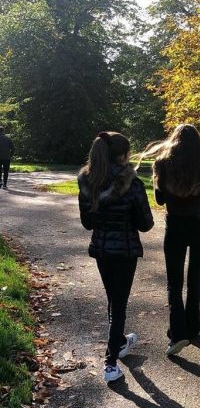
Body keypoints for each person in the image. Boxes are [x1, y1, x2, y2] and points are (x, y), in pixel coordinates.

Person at [78, 132, 154, 382]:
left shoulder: (88, 183)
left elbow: (88, 223)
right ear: (123, 155)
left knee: (113, 299)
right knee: (119, 304)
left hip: (101, 249)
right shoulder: (132, 184)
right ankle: (110, 363)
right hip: (125, 250)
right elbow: (146, 224)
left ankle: (120, 341)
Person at [141, 124, 200, 356]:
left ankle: (178, 332)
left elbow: (160, 200)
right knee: (195, 278)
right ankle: (193, 327)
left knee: (174, 282)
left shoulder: (162, 164)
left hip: (175, 225)